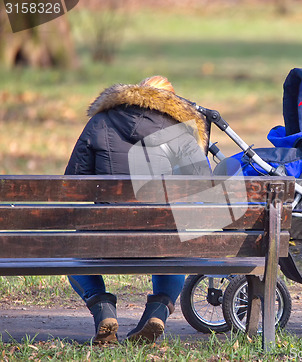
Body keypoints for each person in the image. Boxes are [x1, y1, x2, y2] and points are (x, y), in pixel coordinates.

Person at [64, 76, 211, 343]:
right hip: (159, 238)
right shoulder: (181, 130)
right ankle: (157, 311)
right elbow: (202, 189)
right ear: (172, 102)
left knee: (71, 248)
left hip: (105, 235)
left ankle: (103, 308)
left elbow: (73, 184)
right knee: (176, 243)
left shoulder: (100, 122)